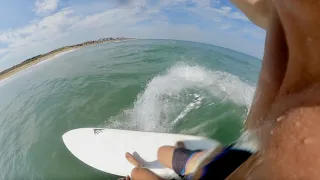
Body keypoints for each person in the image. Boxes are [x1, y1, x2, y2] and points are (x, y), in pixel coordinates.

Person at [122, 0, 320, 179]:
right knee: (160, 154)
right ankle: (195, 160)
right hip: (233, 159)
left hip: (230, 162)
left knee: (138, 171)